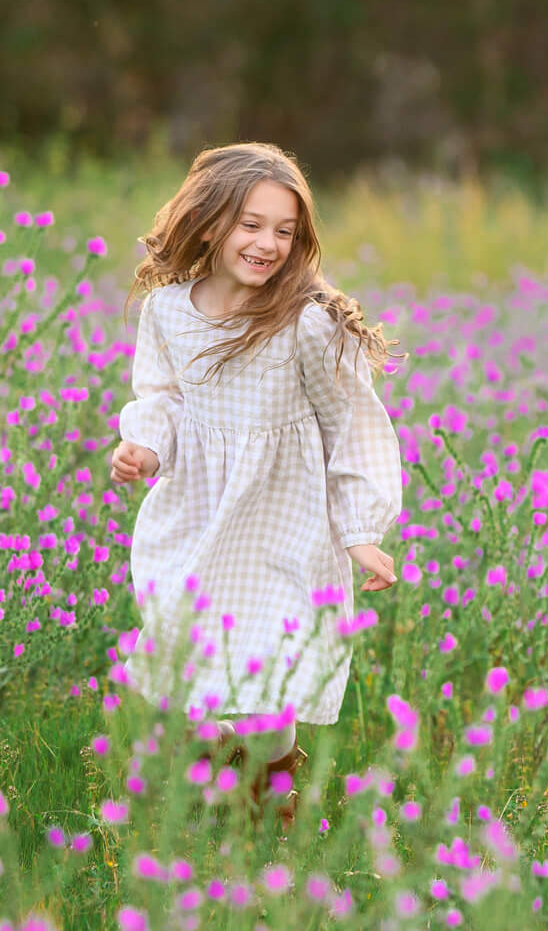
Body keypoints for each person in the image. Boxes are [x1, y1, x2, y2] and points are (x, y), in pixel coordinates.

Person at [109, 142, 403, 821]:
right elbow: (164, 395)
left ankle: (273, 787)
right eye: (252, 224)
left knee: (272, 687)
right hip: (195, 519)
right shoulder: (169, 312)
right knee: (201, 672)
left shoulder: (303, 320)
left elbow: (352, 424)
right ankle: (215, 788)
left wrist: (360, 531)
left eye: (285, 230)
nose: (269, 242)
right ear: (209, 222)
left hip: (283, 523)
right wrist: (146, 447)